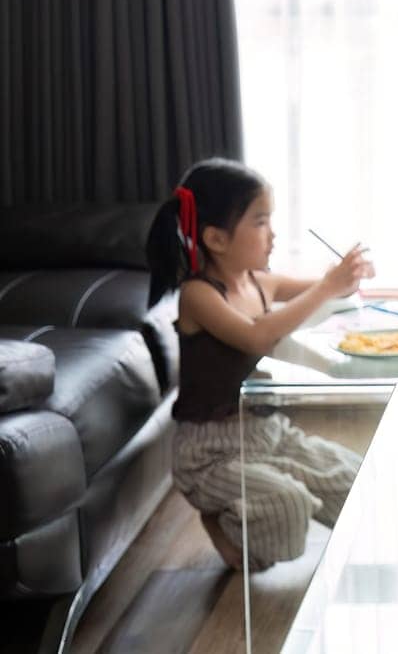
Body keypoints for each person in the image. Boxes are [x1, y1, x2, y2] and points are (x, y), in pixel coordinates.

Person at [146, 158, 375, 570]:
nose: (273, 234)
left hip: (266, 432)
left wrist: (347, 279)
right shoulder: (199, 295)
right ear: (216, 238)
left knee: (352, 479)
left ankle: (259, 497)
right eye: (260, 222)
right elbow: (257, 335)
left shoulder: (260, 281)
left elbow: (332, 296)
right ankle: (223, 521)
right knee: (286, 510)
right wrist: (327, 285)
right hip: (209, 452)